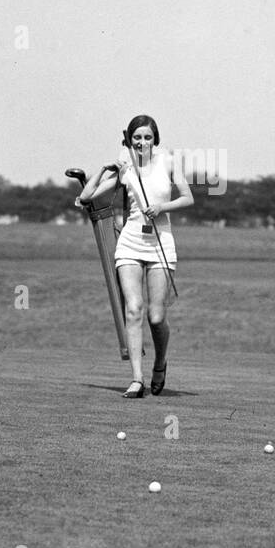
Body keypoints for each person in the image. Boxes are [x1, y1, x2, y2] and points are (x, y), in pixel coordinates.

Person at [77, 115, 193, 398]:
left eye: (148, 137)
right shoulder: (125, 166)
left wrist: (162, 206)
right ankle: (137, 379)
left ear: (155, 139)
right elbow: (86, 197)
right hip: (129, 242)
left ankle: (160, 362)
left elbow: (188, 198)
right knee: (133, 308)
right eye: (137, 137)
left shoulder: (167, 161)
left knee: (156, 317)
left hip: (161, 241)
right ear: (129, 139)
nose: (142, 142)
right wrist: (106, 169)